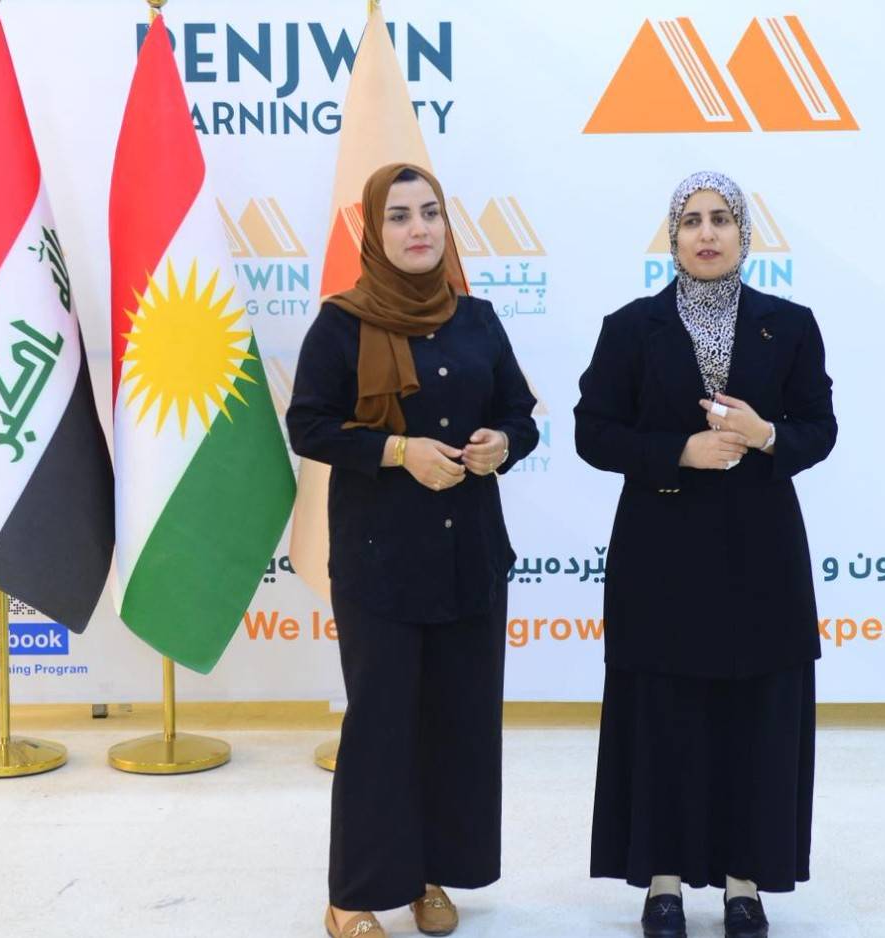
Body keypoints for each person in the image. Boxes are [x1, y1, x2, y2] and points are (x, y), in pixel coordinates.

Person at [575, 171, 836, 938]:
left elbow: (819, 428)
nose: (706, 232)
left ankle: (742, 884)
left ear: (743, 234)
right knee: (664, 718)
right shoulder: (631, 327)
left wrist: (765, 435)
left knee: (754, 720)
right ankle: (661, 883)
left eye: (721, 218)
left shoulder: (789, 325)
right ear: (673, 236)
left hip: (760, 555)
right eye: (691, 220)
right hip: (660, 553)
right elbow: (594, 433)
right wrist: (677, 452)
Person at [287, 162, 539, 938]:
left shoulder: (477, 318)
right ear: (374, 231)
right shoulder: (341, 323)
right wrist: (398, 452)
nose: (418, 228)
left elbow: (520, 413)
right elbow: (308, 426)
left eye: (429, 212)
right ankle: (352, 896)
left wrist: (503, 443)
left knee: (457, 724)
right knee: (381, 727)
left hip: (470, 559)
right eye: (398, 216)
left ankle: (430, 875)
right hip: (380, 561)